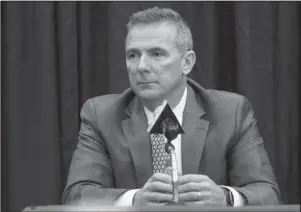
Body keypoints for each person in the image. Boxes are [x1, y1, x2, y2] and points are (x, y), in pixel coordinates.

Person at [62, 6, 281, 207]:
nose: (142, 66)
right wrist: (134, 200)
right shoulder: (100, 115)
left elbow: (267, 194)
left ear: (187, 62)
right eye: (133, 55)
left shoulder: (231, 112)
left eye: (156, 54)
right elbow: (77, 196)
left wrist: (225, 197)